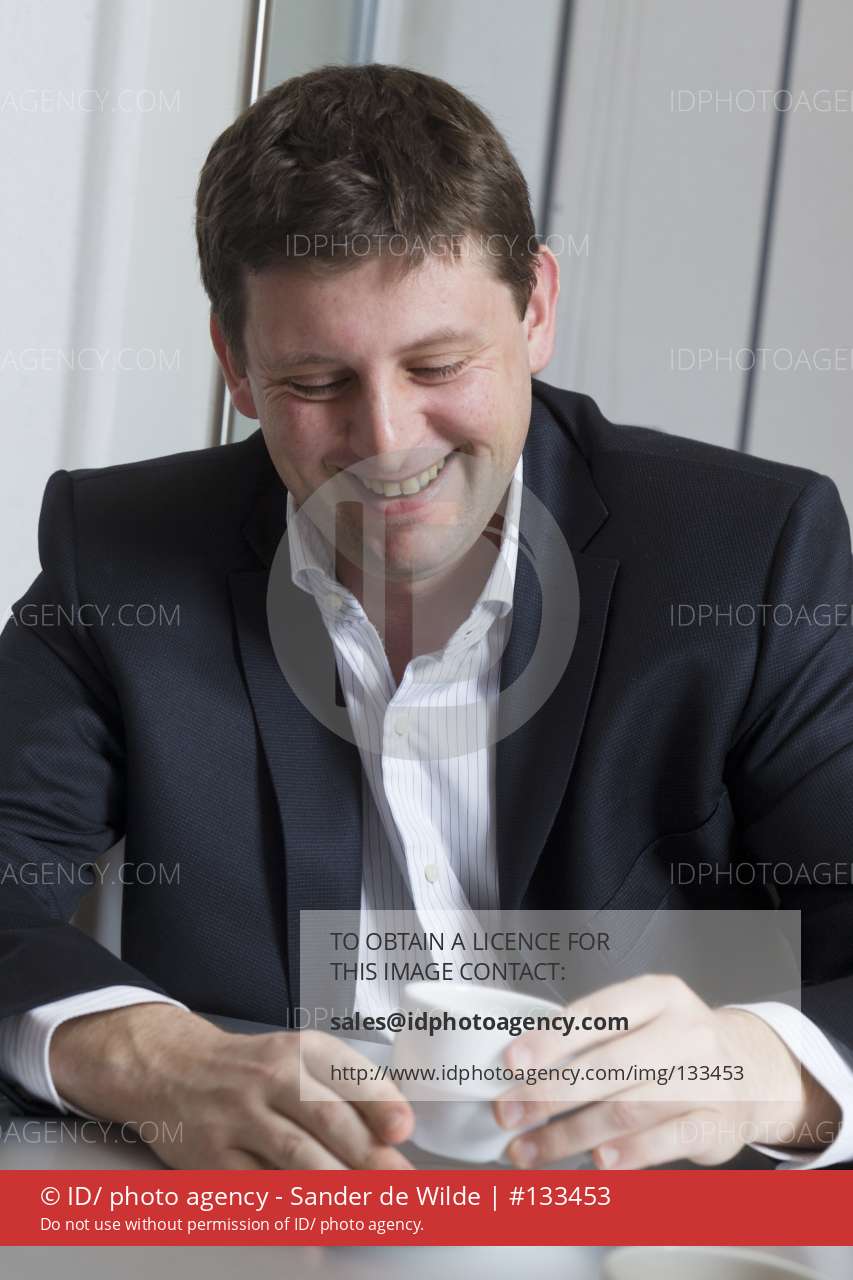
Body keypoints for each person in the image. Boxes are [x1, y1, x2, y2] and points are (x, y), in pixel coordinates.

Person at [0, 63, 851, 1173]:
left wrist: (766, 1068)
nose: (387, 441)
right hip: (275, 1226)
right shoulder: (119, 554)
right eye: (316, 384)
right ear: (236, 367)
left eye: (438, 364)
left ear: (535, 309)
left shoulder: (750, 554)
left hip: (650, 1228)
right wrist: (145, 1055)